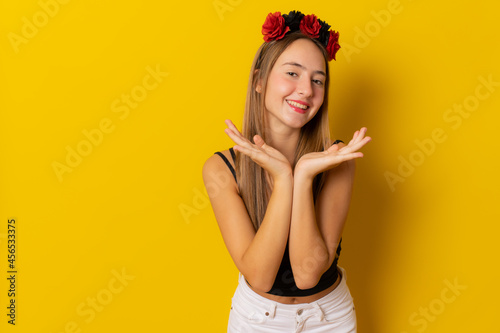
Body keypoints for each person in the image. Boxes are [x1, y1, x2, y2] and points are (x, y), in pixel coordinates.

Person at [202, 10, 371, 332]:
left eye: (317, 80)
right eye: (292, 73)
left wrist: (304, 176)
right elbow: (260, 277)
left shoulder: (337, 160)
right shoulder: (220, 169)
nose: (306, 90)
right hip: (257, 319)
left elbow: (308, 274)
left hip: (329, 318)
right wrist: (283, 179)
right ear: (259, 82)